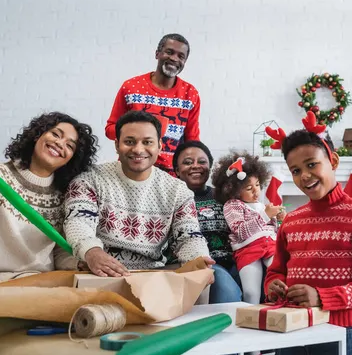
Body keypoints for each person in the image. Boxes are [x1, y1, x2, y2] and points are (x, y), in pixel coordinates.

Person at [264, 112, 352, 355]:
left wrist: (322, 297)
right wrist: (272, 284)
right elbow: (277, 269)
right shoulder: (291, 220)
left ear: (333, 161)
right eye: (296, 170)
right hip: (292, 329)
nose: (305, 176)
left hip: (340, 331)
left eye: (312, 164)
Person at [0, 112, 98, 301]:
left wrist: (78, 264)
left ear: (72, 158)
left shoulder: (63, 197)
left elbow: (58, 252)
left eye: (70, 145)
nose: (60, 144)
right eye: (55, 134)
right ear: (37, 135)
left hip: (37, 284)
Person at [64, 111, 213, 278]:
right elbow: (78, 222)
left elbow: (188, 235)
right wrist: (91, 252)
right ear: (116, 145)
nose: (138, 149)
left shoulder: (178, 190)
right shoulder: (90, 179)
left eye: (147, 142)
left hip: (152, 275)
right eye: (129, 142)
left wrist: (198, 259)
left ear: (159, 146)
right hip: (99, 274)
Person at [105, 33, 200, 175]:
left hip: (171, 175)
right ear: (157, 54)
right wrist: (136, 132)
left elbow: (192, 141)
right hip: (132, 169)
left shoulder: (190, 94)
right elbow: (110, 129)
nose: (174, 58)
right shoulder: (131, 88)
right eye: (169, 52)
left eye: (181, 56)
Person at [211, 151, 285, 305]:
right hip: (247, 250)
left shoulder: (261, 205)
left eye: (257, 185)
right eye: (249, 188)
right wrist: (265, 215)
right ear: (235, 190)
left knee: (280, 274)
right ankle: (251, 315)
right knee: (251, 292)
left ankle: (279, 307)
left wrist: (278, 220)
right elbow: (241, 231)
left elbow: (272, 232)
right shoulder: (232, 206)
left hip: (270, 246)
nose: (256, 190)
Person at [173, 141, 242, 304]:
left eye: (202, 162)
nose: (195, 166)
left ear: (210, 167)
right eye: (188, 162)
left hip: (235, 260)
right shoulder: (173, 200)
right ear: (177, 170)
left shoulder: (224, 196)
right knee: (223, 284)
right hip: (205, 264)